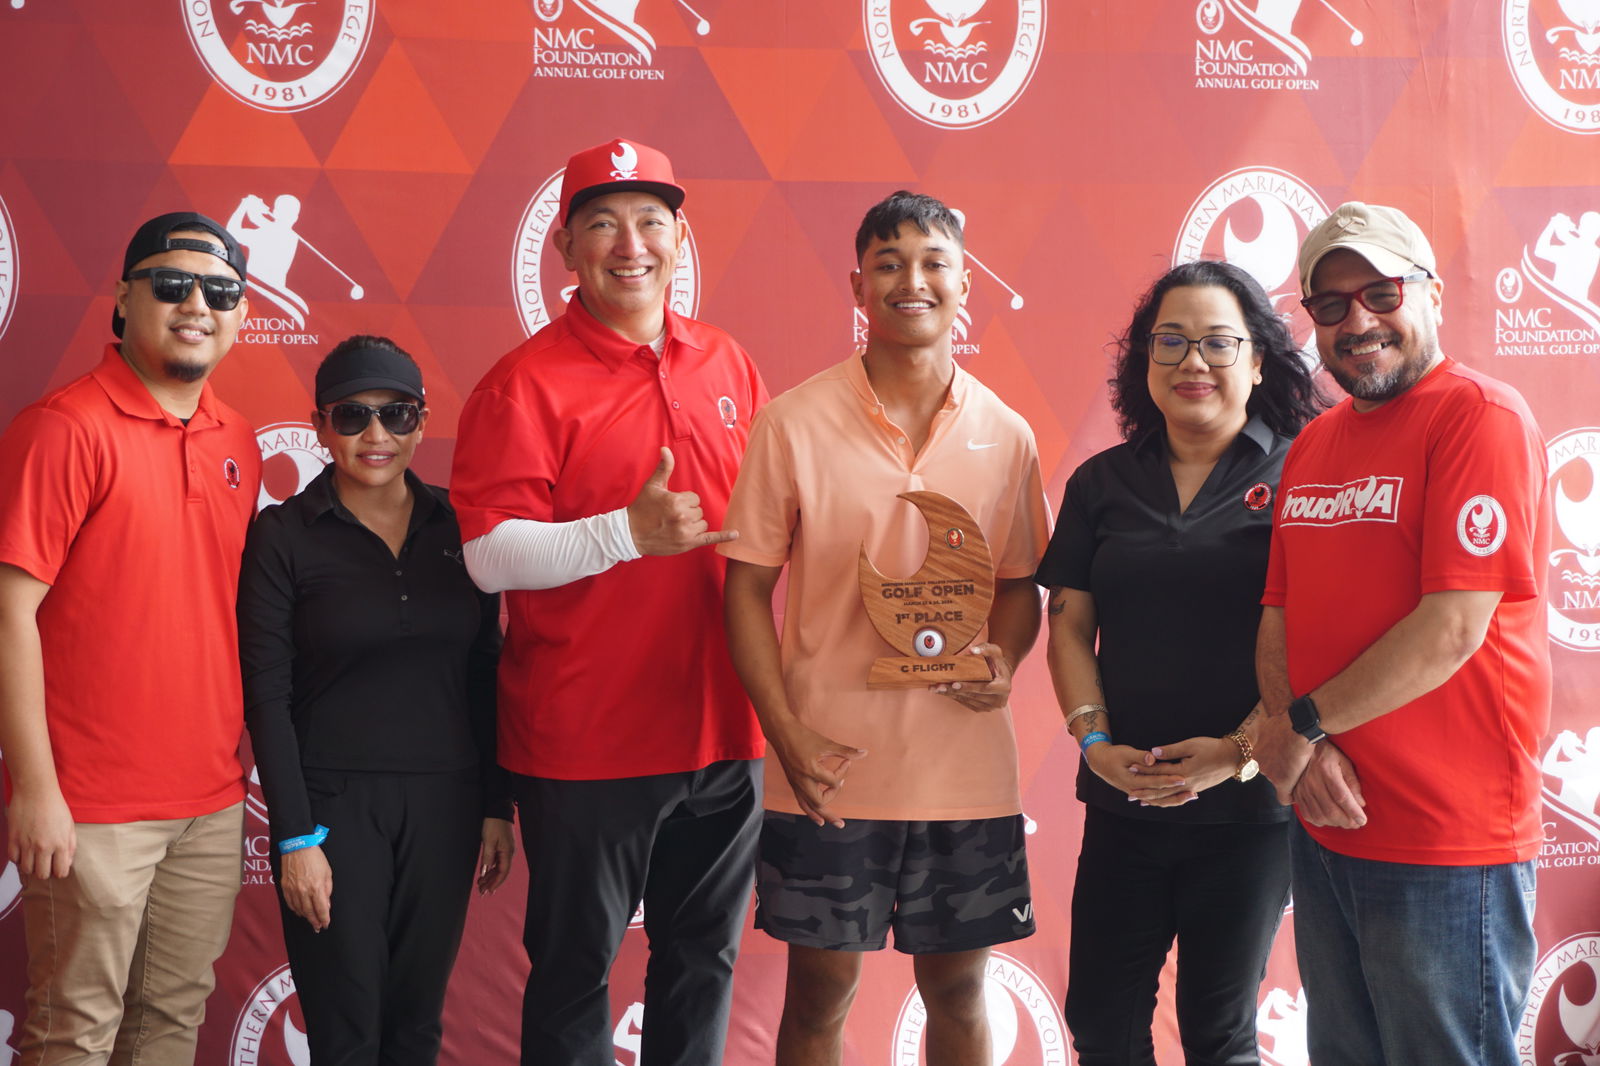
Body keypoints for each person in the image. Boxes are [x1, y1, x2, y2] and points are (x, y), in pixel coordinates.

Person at [449, 138, 768, 1065]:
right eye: (601, 223)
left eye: (649, 221)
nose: (629, 244)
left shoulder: (728, 362)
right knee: (573, 975)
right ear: (565, 248)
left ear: (679, 236)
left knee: (702, 962)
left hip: (723, 729)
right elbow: (486, 557)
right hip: (586, 742)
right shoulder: (522, 383)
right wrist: (622, 534)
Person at [721, 190, 1051, 1065]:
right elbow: (745, 591)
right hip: (829, 770)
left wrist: (1004, 660)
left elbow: (1022, 588)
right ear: (858, 285)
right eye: (890, 263)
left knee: (958, 992)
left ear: (964, 283)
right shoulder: (790, 423)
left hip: (966, 773)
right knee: (819, 998)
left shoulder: (1006, 434)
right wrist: (784, 734)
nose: (913, 280)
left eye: (935, 261)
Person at [1244, 202, 1551, 1065]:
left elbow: (1453, 628)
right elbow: (1280, 615)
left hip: (1447, 841)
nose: (1358, 321)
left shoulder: (1478, 416)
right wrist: (1300, 749)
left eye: (1380, 293)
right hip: (1330, 822)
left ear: (1432, 294)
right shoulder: (1312, 447)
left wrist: (1300, 730)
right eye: (1331, 306)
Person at [1034, 260, 1324, 1066]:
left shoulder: (1303, 473)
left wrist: (1234, 755)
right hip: (1125, 800)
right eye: (1171, 342)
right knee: (1099, 1022)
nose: (1193, 362)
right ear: (1143, 361)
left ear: (1259, 360)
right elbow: (1069, 626)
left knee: (1218, 1033)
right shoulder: (1102, 483)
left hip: (1248, 814)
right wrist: (1096, 747)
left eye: (1218, 343)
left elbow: (1320, 639)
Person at [0, 211, 258, 1065]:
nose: (197, 304)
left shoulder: (239, 441)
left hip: (210, 803)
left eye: (220, 291)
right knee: (74, 1031)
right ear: (123, 299)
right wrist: (36, 788)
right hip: (93, 807)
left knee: (169, 1026)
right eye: (171, 283)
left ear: (241, 313)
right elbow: (10, 612)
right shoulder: (64, 427)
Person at [237, 337, 514, 1065]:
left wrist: (495, 804)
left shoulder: (460, 526)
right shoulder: (283, 535)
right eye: (353, 416)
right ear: (321, 424)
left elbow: (488, 671)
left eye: (396, 414)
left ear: (422, 422)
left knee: (415, 1025)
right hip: (332, 808)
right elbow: (266, 693)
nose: (376, 436)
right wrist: (295, 837)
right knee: (347, 1029)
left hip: (446, 804)